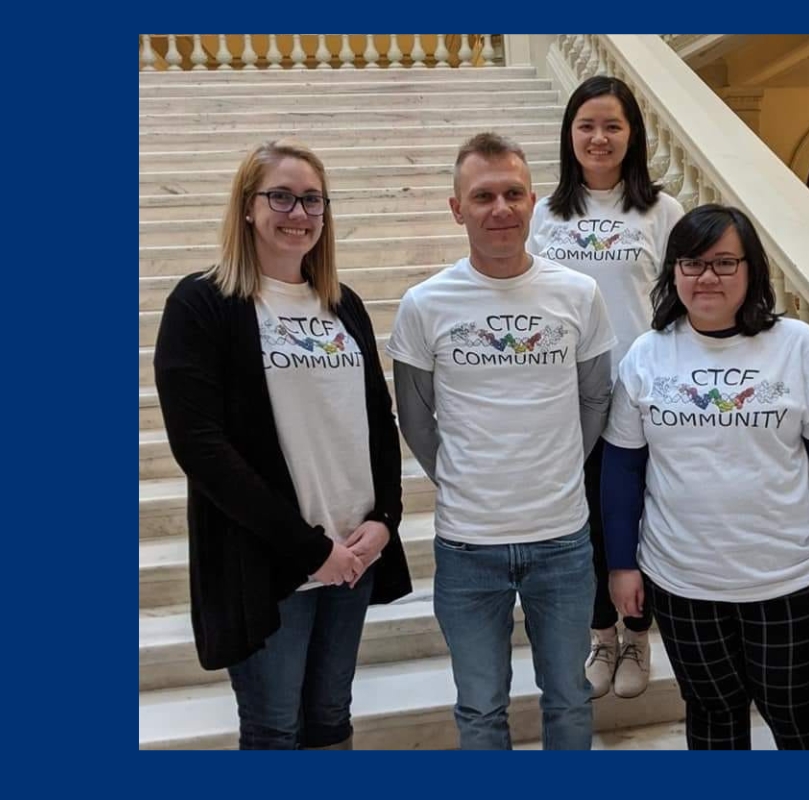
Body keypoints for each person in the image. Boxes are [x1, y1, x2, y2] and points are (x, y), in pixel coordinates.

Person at [153, 138, 413, 750]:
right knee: (274, 730)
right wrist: (306, 549)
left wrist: (384, 521)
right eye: (281, 197)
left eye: (312, 201)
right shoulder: (203, 304)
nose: (298, 214)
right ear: (247, 207)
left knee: (330, 719)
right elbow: (202, 447)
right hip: (270, 560)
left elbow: (379, 421)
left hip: (353, 553)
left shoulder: (342, 305)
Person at [386, 132, 617, 750]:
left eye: (513, 193)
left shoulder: (578, 293)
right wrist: (464, 477)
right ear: (457, 208)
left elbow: (595, 398)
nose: (500, 208)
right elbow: (415, 419)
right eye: (483, 195)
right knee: (481, 707)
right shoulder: (424, 304)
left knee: (569, 697)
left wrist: (562, 462)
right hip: (468, 546)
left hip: (563, 540)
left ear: (533, 201)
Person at [601, 204, 809, 750]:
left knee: (799, 717)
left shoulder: (800, 347)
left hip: (789, 577)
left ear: (751, 270)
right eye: (692, 263)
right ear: (673, 272)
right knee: (713, 717)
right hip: (682, 579)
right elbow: (622, 470)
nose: (707, 277)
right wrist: (621, 564)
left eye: (723, 263)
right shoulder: (648, 355)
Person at [527, 75, 684, 700]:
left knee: (638, 518)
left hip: (642, 393)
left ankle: (639, 634)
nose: (599, 137)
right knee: (586, 520)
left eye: (612, 126)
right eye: (587, 125)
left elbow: (680, 299)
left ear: (632, 135)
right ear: (570, 134)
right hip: (569, 396)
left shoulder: (661, 210)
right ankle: (600, 632)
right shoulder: (545, 214)